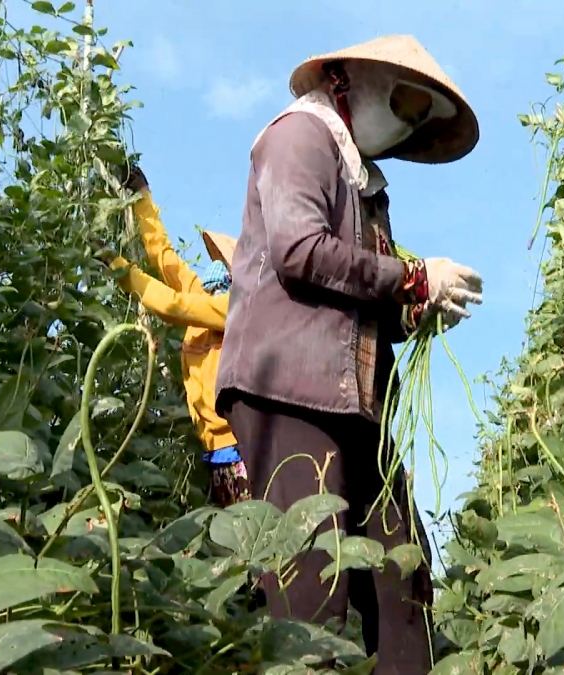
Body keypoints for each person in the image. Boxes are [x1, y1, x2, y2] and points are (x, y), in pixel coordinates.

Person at [213, 35, 483, 673]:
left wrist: (414, 312)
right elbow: (300, 251)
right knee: (314, 584)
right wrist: (414, 277)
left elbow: (363, 301)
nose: (409, 120)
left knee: (403, 573)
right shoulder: (298, 137)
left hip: (352, 400)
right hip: (287, 390)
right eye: (408, 101)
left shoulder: (367, 187)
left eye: (420, 116)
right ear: (348, 81)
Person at [93, 166, 250, 508]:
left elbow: (173, 305)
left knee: (255, 545)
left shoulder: (233, 310)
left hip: (240, 452)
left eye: (223, 265)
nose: (215, 271)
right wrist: (142, 198)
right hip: (216, 453)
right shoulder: (206, 297)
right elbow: (164, 257)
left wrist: (119, 268)